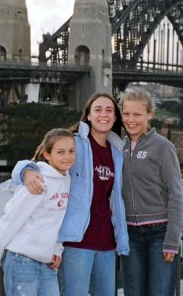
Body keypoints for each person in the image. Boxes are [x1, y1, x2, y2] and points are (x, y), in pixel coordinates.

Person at [12, 92, 129, 296]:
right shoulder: (75, 144)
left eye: (109, 110)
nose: (104, 114)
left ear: (115, 117)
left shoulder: (118, 151)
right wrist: (25, 171)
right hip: (76, 240)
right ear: (88, 116)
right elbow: (36, 158)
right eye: (98, 109)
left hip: (108, 242)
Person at [0, 128, 76, 296]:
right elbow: (10, 221)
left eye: (72, 151)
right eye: (61, 152)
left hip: (46, 263)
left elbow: (57, 220)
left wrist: (57, 249)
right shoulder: (37, 181)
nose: (68, 156)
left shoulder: (66, 179)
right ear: (47, 154)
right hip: (22, 261)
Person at [119, 89, 183, 296]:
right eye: (126, 114)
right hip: (130, 235)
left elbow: (176, 194)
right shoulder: (119, 146)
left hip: (160, 234)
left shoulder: (163, 147)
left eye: (137, 114)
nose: (131, 120)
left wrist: (172, 241)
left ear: (150, 115)